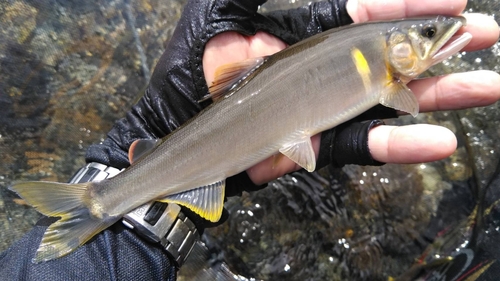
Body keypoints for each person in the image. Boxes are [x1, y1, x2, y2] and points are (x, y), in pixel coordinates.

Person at [1, 0, 499, 280]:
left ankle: (103, 198)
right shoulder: (394, 81)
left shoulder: (387, 67)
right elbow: (403, 97)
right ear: (399, 47)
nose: (443, 36)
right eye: (430, 33)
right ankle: (102, 199)